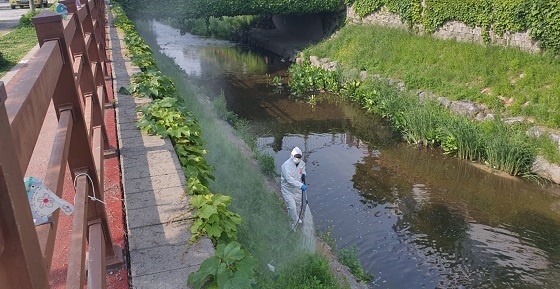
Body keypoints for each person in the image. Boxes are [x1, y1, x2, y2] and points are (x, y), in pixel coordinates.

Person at [281, 147, 307, 229]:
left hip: (297, 191)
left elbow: (303, 170)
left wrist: (304, 174)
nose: (298, 158)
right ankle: (292, 225)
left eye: (299, 157)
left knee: (297, 206)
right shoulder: (286, 166)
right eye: (296, 156)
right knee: (292, 207)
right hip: (288, 190)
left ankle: (296, 218)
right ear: (292, 156)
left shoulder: (302, 163)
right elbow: (289, 180)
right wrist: (301, 185)